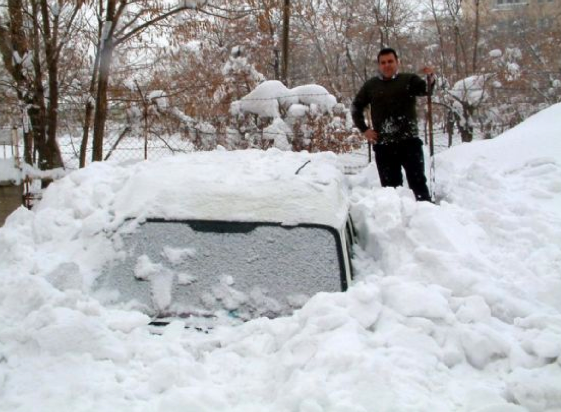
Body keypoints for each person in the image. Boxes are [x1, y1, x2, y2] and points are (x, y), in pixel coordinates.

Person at [351, 47, 435, 202]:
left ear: (397, 62)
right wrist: (364, 129)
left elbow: (426, 91)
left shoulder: (408, 80)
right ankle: (398, 223)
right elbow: (356, 107)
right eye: (383, 62)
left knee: (418, 187)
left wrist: (430, 76)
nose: (387, 65)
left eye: (390, 61)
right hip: (384, 146)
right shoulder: (371, 86)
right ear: (379, 65)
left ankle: (426, 219)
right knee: (391, 192)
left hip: (409, 143)